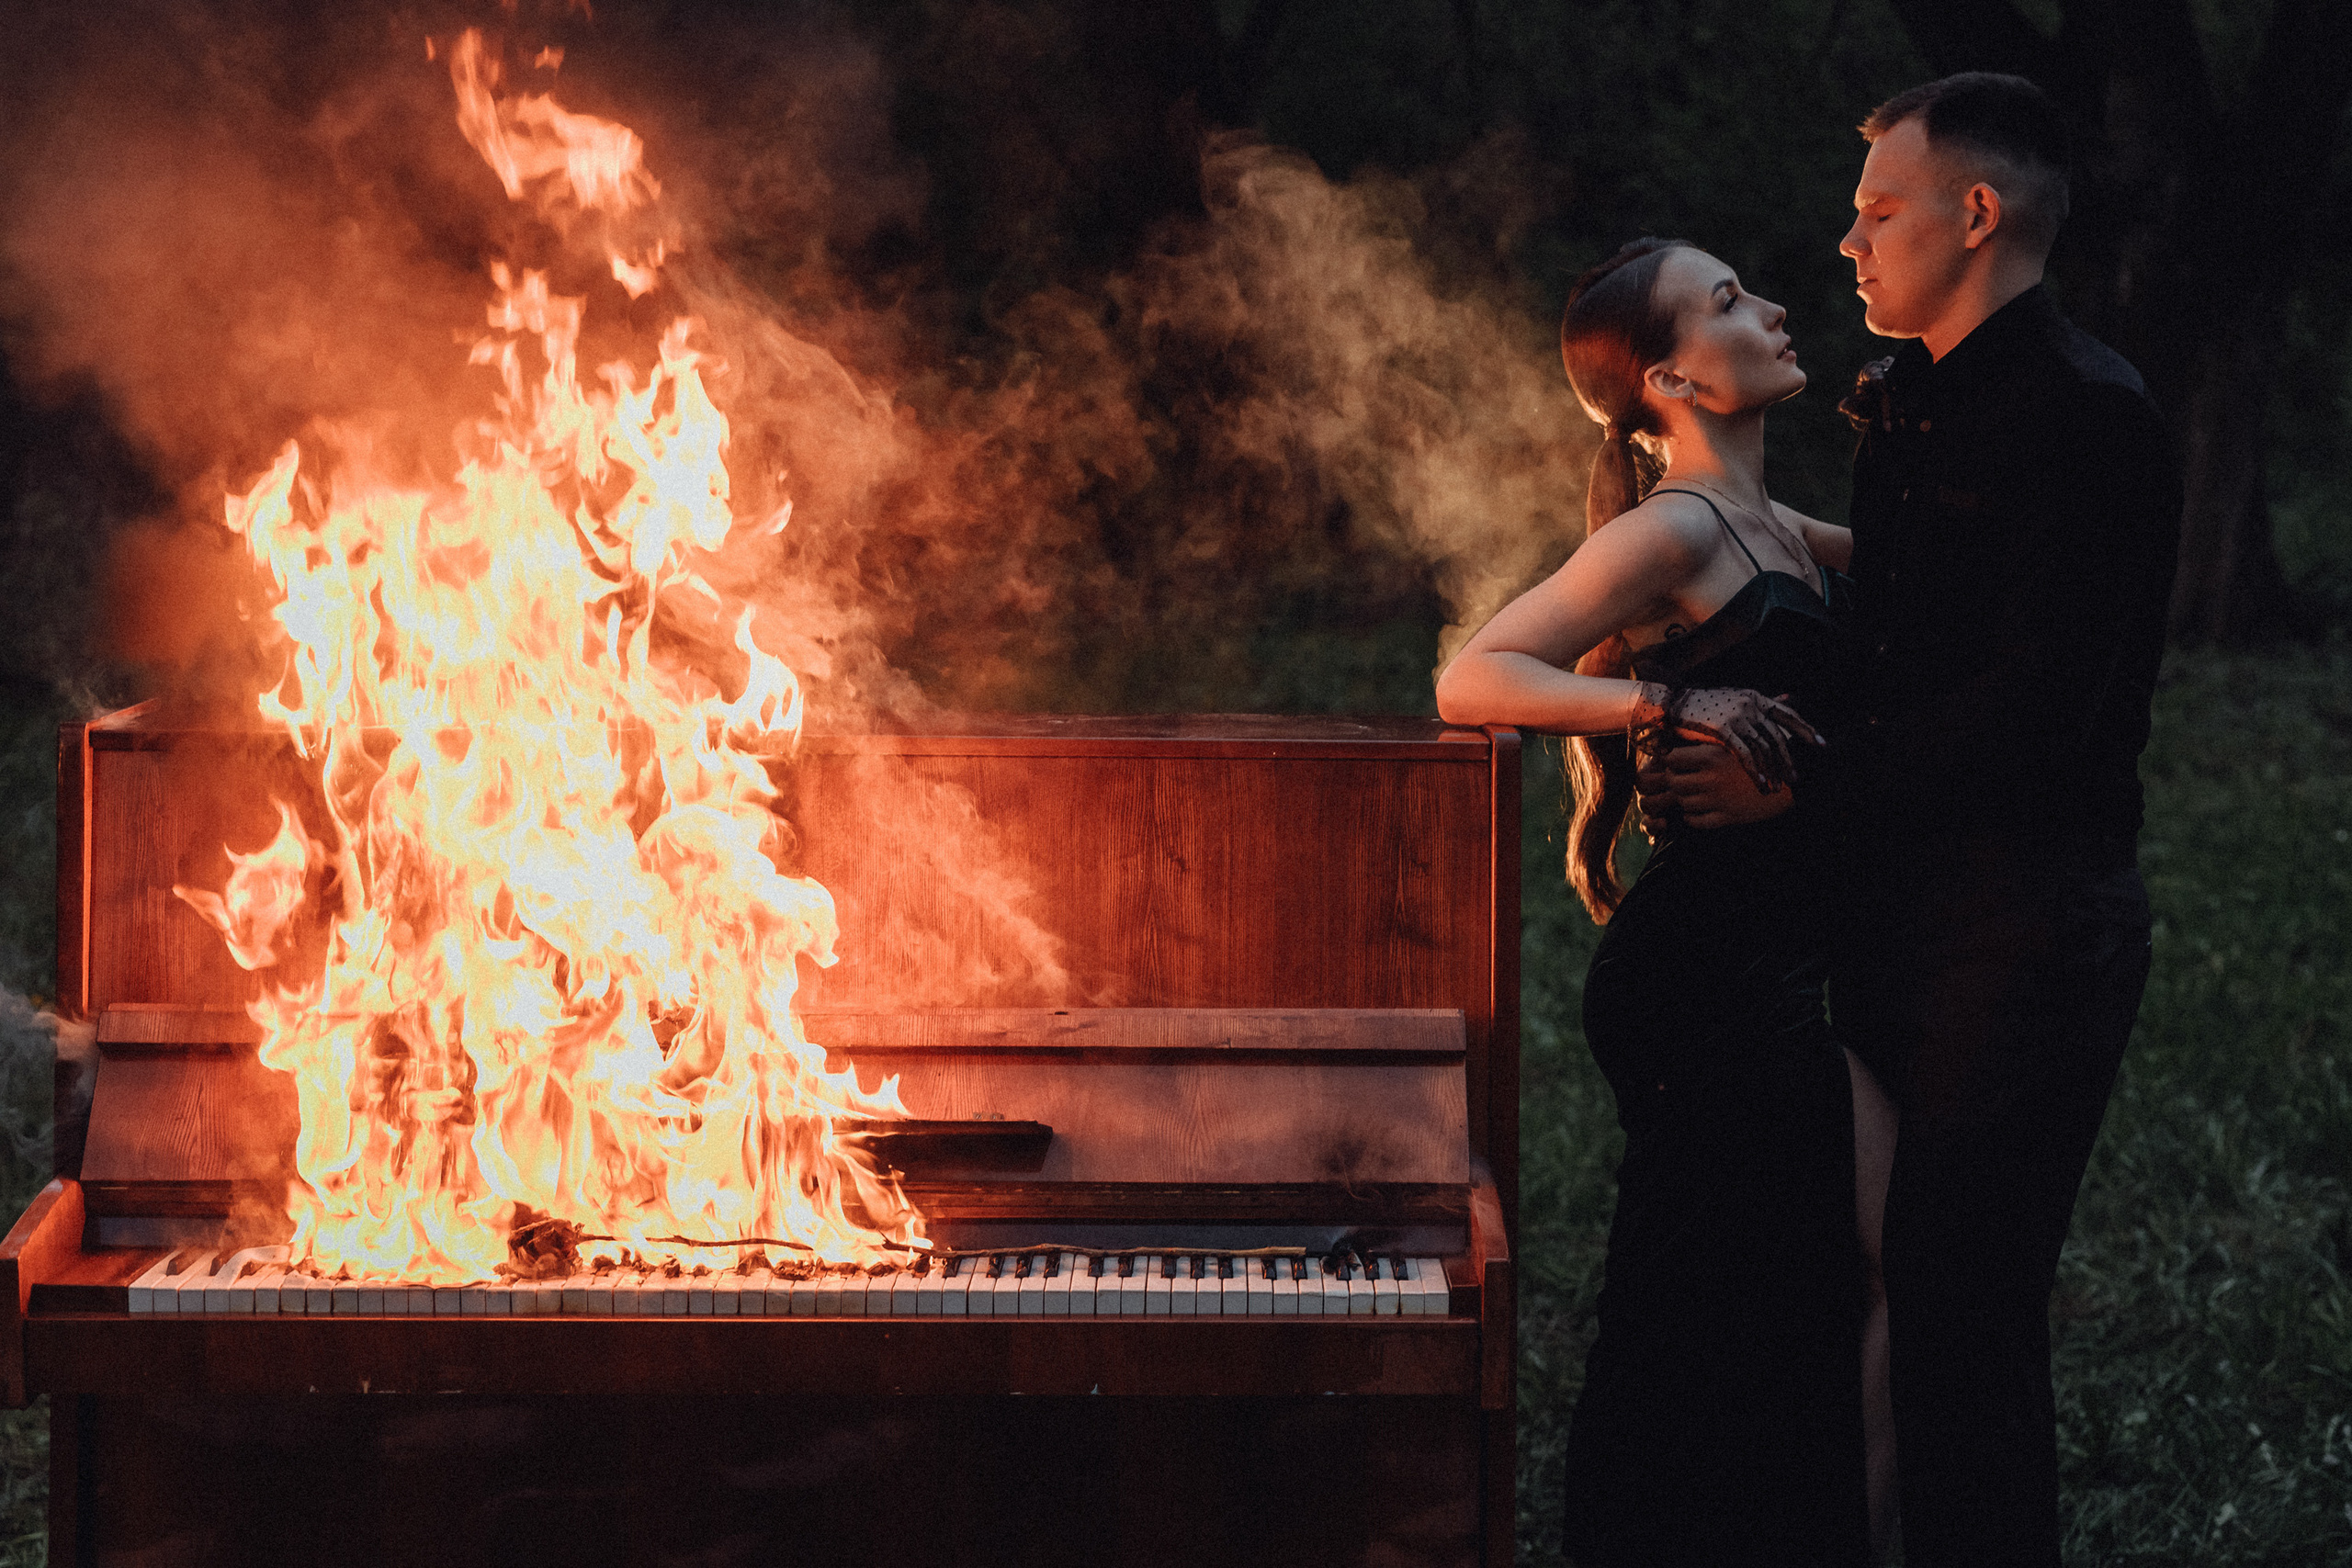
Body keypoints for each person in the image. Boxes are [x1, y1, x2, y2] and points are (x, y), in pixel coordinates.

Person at [1637, 73, 2180, 1567]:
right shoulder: (1911, 397)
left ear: (1979, 215)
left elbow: (2033, 717)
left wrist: (1792, 779)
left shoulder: (2089, 416)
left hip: (2021, 931)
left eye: (1881, 210)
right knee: (1879, 1291)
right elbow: (1903, 630)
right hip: (1893, 924)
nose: (1849, 243)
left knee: (1964, 1311)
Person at [1435, 237, 1877, 1567]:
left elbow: (1943, 604)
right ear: (1673, 374)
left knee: (1775, 1292)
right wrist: (1666, 699)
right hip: (1701, 979)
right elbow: (1475, 678)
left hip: (1767, 965)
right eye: (1731, 301)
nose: (1776, 308)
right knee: (1700, 1299)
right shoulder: (1674, 526)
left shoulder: (1776, 527)